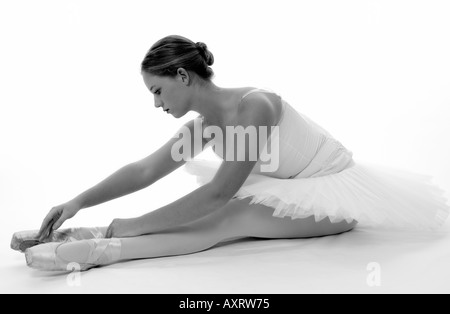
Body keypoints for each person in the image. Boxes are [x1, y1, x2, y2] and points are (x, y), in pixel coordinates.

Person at [11, 35, 450, 272]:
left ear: (182, 75)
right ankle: (91, 231)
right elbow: (144, 169)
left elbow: (218, 195)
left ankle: (107, 248)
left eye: (158, 91)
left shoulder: (254, 106)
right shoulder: (204, 127)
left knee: (228, 216)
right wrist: (77, 202)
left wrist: (130, 224)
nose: (157, 104)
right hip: (288, 191)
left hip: (333, 198)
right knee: (223, 213)